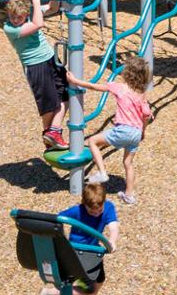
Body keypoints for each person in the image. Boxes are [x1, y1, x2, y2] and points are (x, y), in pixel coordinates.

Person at [65, 55, 154, 206]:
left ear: (126, 73)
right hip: (136, 133)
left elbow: (94, 87)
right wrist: (143, 131)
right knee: (128, 162)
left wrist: (75, 81)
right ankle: (129, 195)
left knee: (93, 141)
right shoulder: (141, 94)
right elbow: (146, 115)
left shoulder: (119, 87)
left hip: (123, 130)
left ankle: (102, 172)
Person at [38, 181, 118, 295]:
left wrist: (112, 240)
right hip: (77, 252)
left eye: (99, 210)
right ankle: (50, 294)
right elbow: (57, 220)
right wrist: (59, 239)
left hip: (94, 253)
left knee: (99, 281)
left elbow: (113, 225)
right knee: (89, 288)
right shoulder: (77, 211)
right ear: (83, 204)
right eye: (92, 211)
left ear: (104, 201)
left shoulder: (109, 207)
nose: (96, 214)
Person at [1, 0, 68, 149]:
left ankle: (53, 132)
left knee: (67, 94)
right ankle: (48, 133)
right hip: (35, 65)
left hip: (51, 59)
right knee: (49, 102)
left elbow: (52, 8)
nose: (15, 20)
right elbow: (39, 24)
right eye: (12, 16)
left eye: (19, 17)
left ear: (26, 14)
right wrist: (36, 0)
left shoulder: (32, 14)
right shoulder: (9, 28)